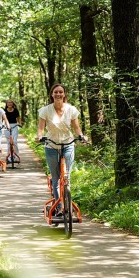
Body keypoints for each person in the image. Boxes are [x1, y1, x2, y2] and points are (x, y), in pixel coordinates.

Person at [35, 84, 86, 215]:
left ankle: (67, 204)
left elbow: (76, 128)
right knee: (56, 177)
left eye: (60, 92)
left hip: (68, 144)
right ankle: (59, 207)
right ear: (52, 94)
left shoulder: (71, 109)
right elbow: (41, 127)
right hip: (51, 145)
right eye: (55, 92)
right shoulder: (45, 110)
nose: (58, 94)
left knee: (66, 176)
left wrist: (81, 136)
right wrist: (39, 136)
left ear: (64, 94)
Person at [4, 99, 22, 163]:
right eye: (8, 102)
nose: (10, 104)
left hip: (14, 126)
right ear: (6, 104)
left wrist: (20, 123)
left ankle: (16, 156)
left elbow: (18, 118)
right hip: (6, 126)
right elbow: (2, 118)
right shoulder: (4, 111)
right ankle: (9, 157)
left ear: (13, 103)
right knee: (9, 143)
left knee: (14, 141)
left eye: (11, 102)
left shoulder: (15, 110)